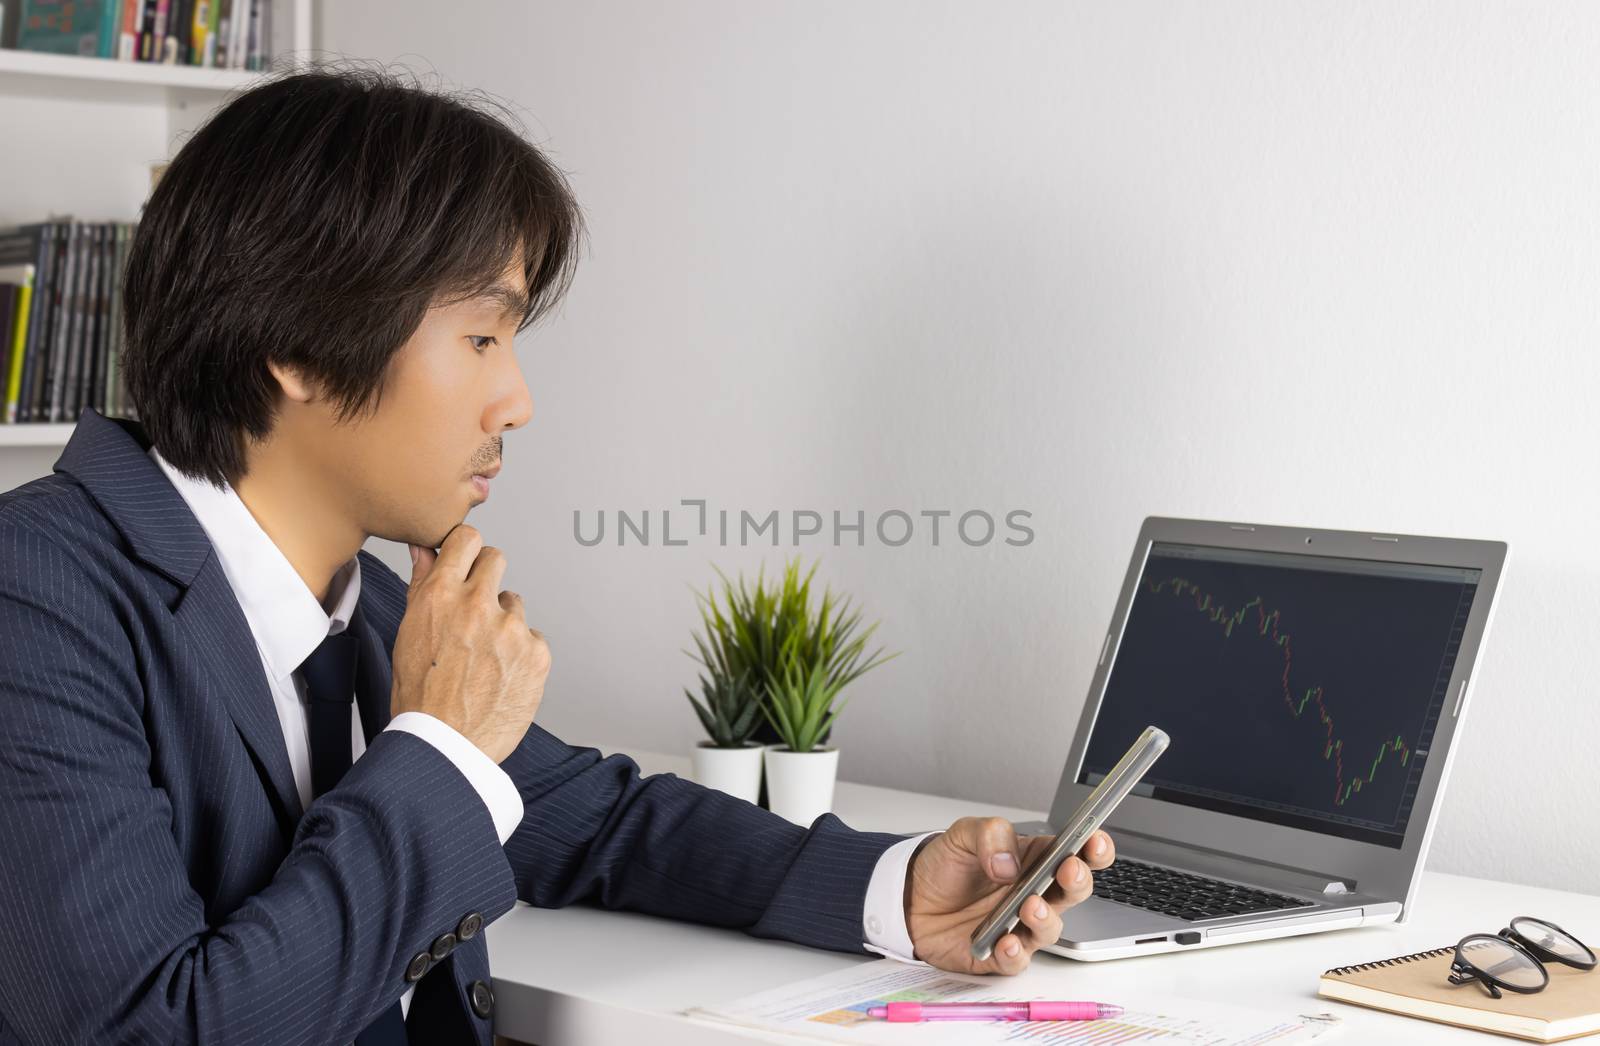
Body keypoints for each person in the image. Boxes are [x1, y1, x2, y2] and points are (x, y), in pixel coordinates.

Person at [0, 67, 1114, 1045]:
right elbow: (152, 1023)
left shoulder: (368, 603)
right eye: (482, 334)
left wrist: (898, 886)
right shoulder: (37, 595)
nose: (517, 400)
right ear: (291, 343)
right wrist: (436, 746)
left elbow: (603, 824)